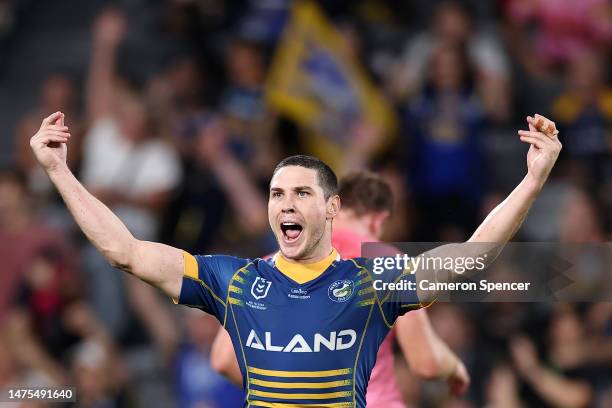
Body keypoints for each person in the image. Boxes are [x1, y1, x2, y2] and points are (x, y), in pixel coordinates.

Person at [30, 110, 561, 407]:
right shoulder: (233, 281)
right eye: (276, 194)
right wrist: (59, 172)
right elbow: (123, 250)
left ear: (332, 209)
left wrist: (533, 181)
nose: (285, 203)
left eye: (301, 194)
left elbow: (470, 258)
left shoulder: (371, 283)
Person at [209, 171, 470, 407]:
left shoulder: (270, 264)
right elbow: (425, 361)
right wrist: (454, 366)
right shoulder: (385, 261)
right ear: (379, 220)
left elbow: (223, 359)